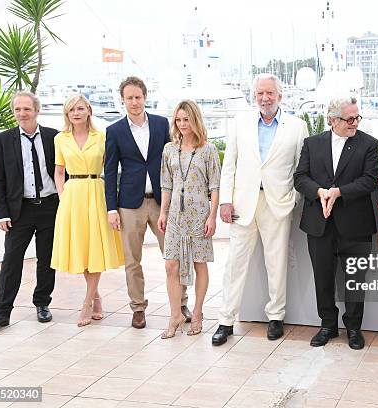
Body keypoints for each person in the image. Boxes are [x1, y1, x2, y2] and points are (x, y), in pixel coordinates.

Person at [212, 73, 308, 346]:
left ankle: (276, 316)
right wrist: (226, 201)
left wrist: (293, 199)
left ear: (280, 95)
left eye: (270, 93)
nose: (265, 98)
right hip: (243, 204)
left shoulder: (297, 127)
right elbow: (229, 165)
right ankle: (226, 320)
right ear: (255, 96)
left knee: (276, 263)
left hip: (277, 204)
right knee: (234, 264)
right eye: (260, 94)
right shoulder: (240, 124)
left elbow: (302, 168)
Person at [105, 76, 191, 329]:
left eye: (138, 97)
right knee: (132, 260)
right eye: (129, 98)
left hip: (163, 202)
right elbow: (110, 172)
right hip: (129, 205)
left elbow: (175, 158)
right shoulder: (114, 131)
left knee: (174, 255)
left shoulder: (162, 124)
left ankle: (181, 302)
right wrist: (111, 208)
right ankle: (138, 308)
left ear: (145, 97)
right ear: (123, 100)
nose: (134, 102)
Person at [294, 96, 378, 350]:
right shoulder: (312, 143)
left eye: (357, 117)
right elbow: (300, 178)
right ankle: (327, 325)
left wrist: (338, 192)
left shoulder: (369, 144)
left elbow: (369, 180)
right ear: (332, 120)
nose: (355, 123)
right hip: (319, 225)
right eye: (349, 118)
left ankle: (354, 328)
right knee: (323, 278)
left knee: (355, 280)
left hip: (356, 224)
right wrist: (320, 192)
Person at [0, 92, 59, 328]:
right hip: (19, 211)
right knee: (11, 261)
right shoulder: (4, 140)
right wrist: (1, 213)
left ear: (37, 110)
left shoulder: (53, 137)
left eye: (26, 109)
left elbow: (62, 171)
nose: (22, 114)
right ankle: (2, 312)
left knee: (47, 259)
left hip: (50, 206)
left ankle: (42, 303)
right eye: (17, 110)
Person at [51, 94, 124, 327]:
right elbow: (59, 172)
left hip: (96, 192)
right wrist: (63, 199)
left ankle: (86, 303)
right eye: (71, 109)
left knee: (95, 249)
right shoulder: (60, 138)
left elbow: (111, 170)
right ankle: (97, 297)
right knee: (82, 249)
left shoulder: (102, 137)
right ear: (67, 113)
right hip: (73, 196)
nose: (76, 113)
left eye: (80, 108)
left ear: (89, 110)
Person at [157, 100, 220, 338]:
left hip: (199, 215)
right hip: (175, 215)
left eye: (186, 119)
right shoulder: (169, 149)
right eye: (179, 119)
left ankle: (198, 311)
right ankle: (175, 314)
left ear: (195, 120)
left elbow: (214, 187)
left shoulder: (208, 150)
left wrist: (212, 217)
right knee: (170, 264)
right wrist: (163, 212)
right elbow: (166, 184)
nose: (182, 124)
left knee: (198, 262)